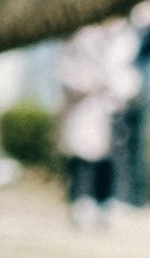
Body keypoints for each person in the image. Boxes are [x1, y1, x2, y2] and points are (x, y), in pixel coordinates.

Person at [53, 17, 140, 230]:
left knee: (113, 157)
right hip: (84, 104)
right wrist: (88, 83)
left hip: (112, 107)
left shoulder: (126, 37)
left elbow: (130, 75)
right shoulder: (82, 35)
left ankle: (109, 201)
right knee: (83, 157)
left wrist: (118, 87)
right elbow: (66, 70)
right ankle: (82, 200)